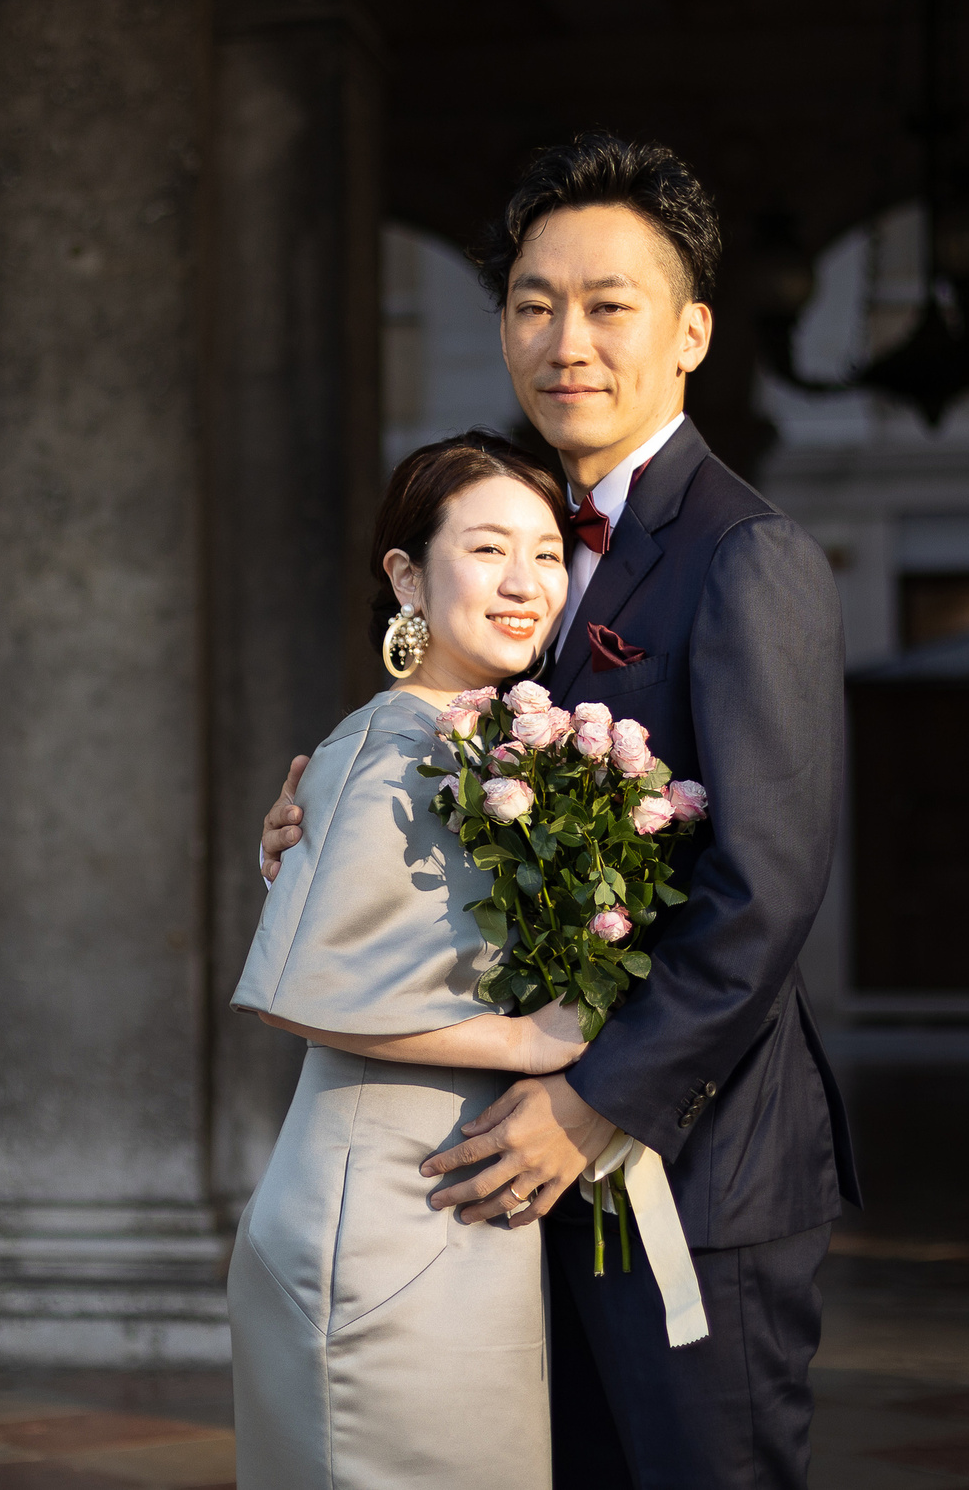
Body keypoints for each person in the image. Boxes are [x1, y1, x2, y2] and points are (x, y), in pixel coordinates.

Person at [261, 134, 859, 1489]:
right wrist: (331, 818)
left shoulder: (746, 552)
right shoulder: (523, 522)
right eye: (533, 303)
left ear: (692, 330)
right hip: (523, 1163)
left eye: (608, 304)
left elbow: (763, 885)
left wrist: (598, 1100)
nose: (565, 338)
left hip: (694, 1169)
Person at [228, 432, 588, 1489]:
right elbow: (301, 988)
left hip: (445, 1199)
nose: (524, 583)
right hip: (386, 1217)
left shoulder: (487, 741)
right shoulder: (397, 738)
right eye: (486, 550)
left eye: (548, 553)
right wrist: (530, 1038)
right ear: (407, 577)